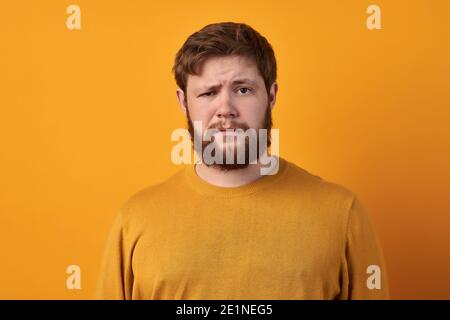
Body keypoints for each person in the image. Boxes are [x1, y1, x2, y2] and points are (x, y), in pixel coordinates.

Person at [95, 22, 389, 299]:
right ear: (184, 102)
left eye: (243, 90)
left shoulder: (342, 214)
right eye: (209, 92)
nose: (226, 109)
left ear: (271, 95)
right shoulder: (135, 220)